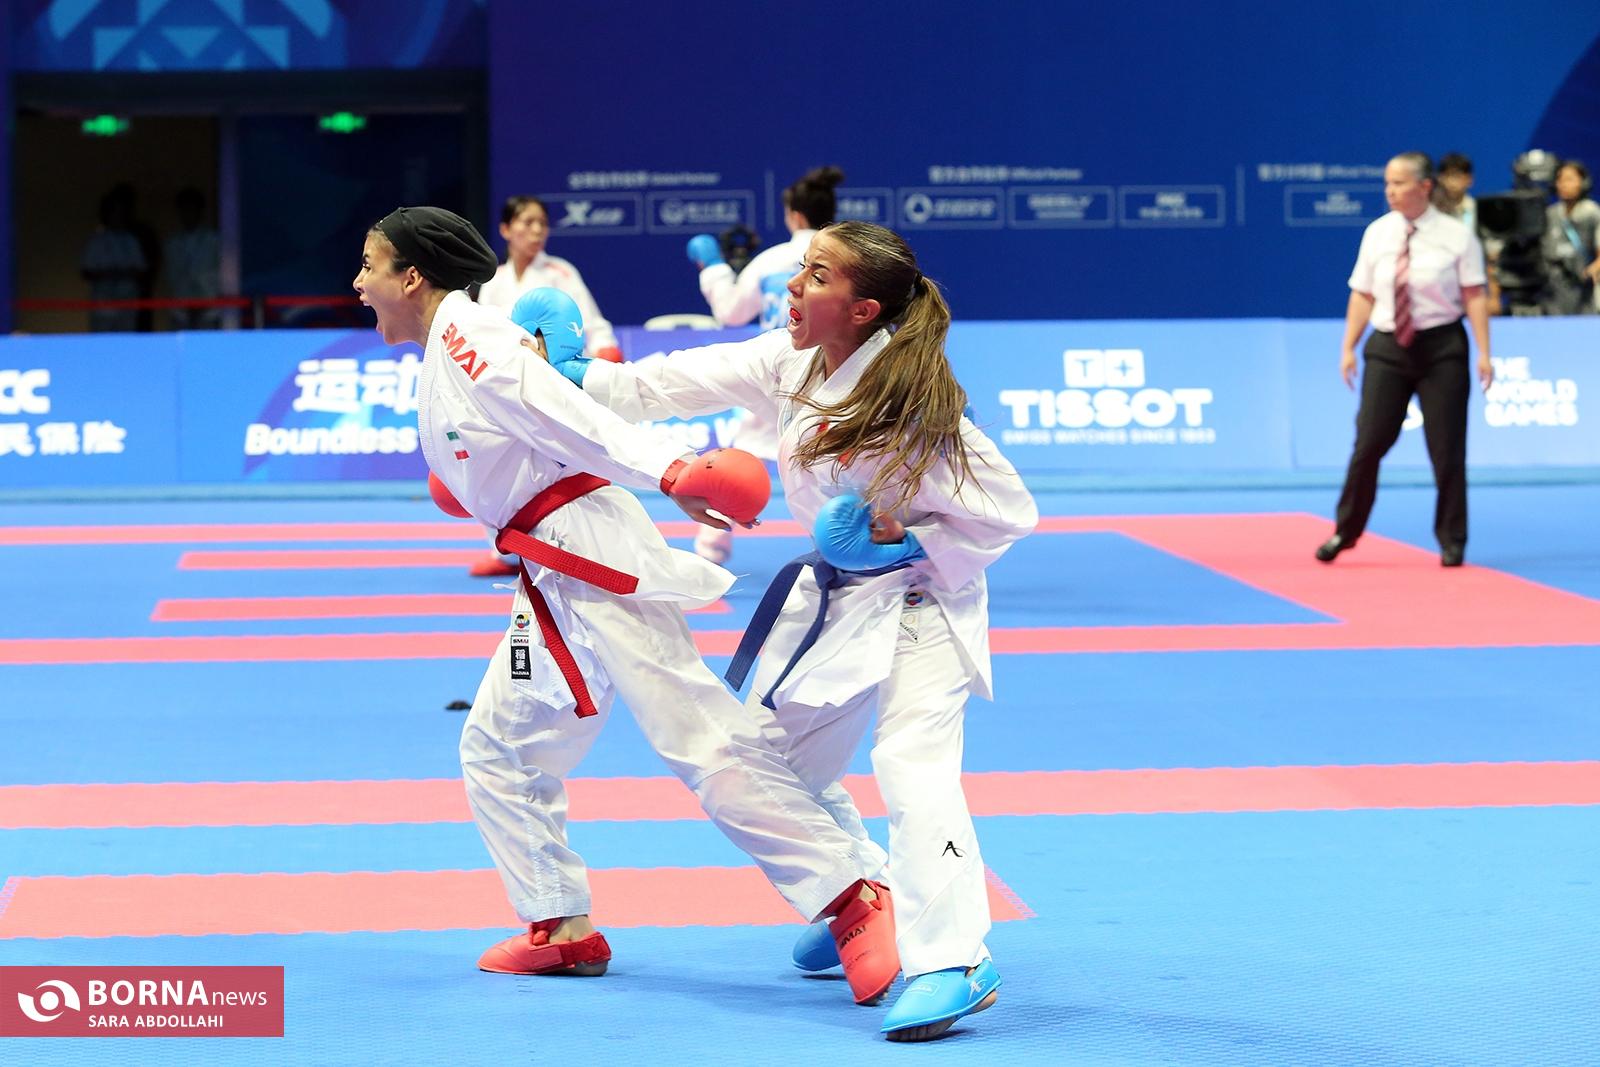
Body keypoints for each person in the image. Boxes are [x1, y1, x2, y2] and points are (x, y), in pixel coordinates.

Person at [352, 207, 898, 1003]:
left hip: (590, 557)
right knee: (499, 744)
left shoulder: (470, 336)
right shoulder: (451, 344)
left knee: (698, 734)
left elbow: (567, 413)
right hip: (554, 565)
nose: (357, 282)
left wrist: (672, 468)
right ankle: (559, 925)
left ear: (411, 276)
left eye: (369, 265)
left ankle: (853, 893)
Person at [560, 220, 1039, 1041]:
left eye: (816, 276)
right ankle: (865, 883)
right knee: (764, 762)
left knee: (911, 764)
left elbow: (1008, 511)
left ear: (862, 310)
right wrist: (571, 377)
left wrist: (906, 539)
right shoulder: (791, 360)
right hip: (839, 600)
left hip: (922, 598)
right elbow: (677, 378)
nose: (792, 285)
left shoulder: (912, 404)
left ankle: (955, 959)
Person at [1317, 152, 1493, 569]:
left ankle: (1452, 539)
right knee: (1368, 443)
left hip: (1442, 348)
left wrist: (1485, 352)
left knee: (1447, 450)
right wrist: (1348, 346)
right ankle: (1345, 530)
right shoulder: (1377, 233)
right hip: (1388, 348)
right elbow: (1363, 293)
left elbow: (1474, 295)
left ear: (1424, 186)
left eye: (1399, 183)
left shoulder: (1456, 236)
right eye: (1387, 183)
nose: (1390, 191)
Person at [681, 165, 847, 564]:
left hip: (777, 373)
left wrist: (713, 266)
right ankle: (849, 547)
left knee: (740, 456)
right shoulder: (850, 261)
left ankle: (710, 550)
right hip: (833, 376)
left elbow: (731, 312)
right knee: (839, 469)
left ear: (794, 216)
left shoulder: (773, 260)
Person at [470, 195, 625, 577]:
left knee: (562, 471)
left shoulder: (560, 273)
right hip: (506, 386)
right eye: (527, 222)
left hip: (556, 384)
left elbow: (594, 324)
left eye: (542, 223)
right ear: (506, 229)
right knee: (501, 469)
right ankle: (507, 552)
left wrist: (606, 353)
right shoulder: (493, 282)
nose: (537, 230)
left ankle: (576, 550)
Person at [79, 187, 147, 333]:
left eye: (122, 212)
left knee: (126, 341)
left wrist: (125, 274)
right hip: (103, 305)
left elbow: (141, 270)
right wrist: (108, 274)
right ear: (106, 214)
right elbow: (86, 271)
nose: (118, 216)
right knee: (102, 342)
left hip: (127, 303)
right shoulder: (96, 241)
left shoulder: (131, 240)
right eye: (115, 211)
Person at [1541, 160, 1600, 315]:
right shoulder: (1550, 214)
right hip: (1554, 288)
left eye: (1569, 179)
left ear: (1583, 182)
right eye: (1560, 180)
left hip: (1584, 287)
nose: (1563, 185)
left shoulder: (1591, 213)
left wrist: (1592, 270)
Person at [164, 187, 222, 329]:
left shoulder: (214, 240)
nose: (188, 214)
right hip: (181, 309)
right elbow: (172, 276)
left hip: (209, 308)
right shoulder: (172, 243)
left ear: (200, 211)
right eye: (184, 210)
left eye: (191, 209)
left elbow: (221, 274)